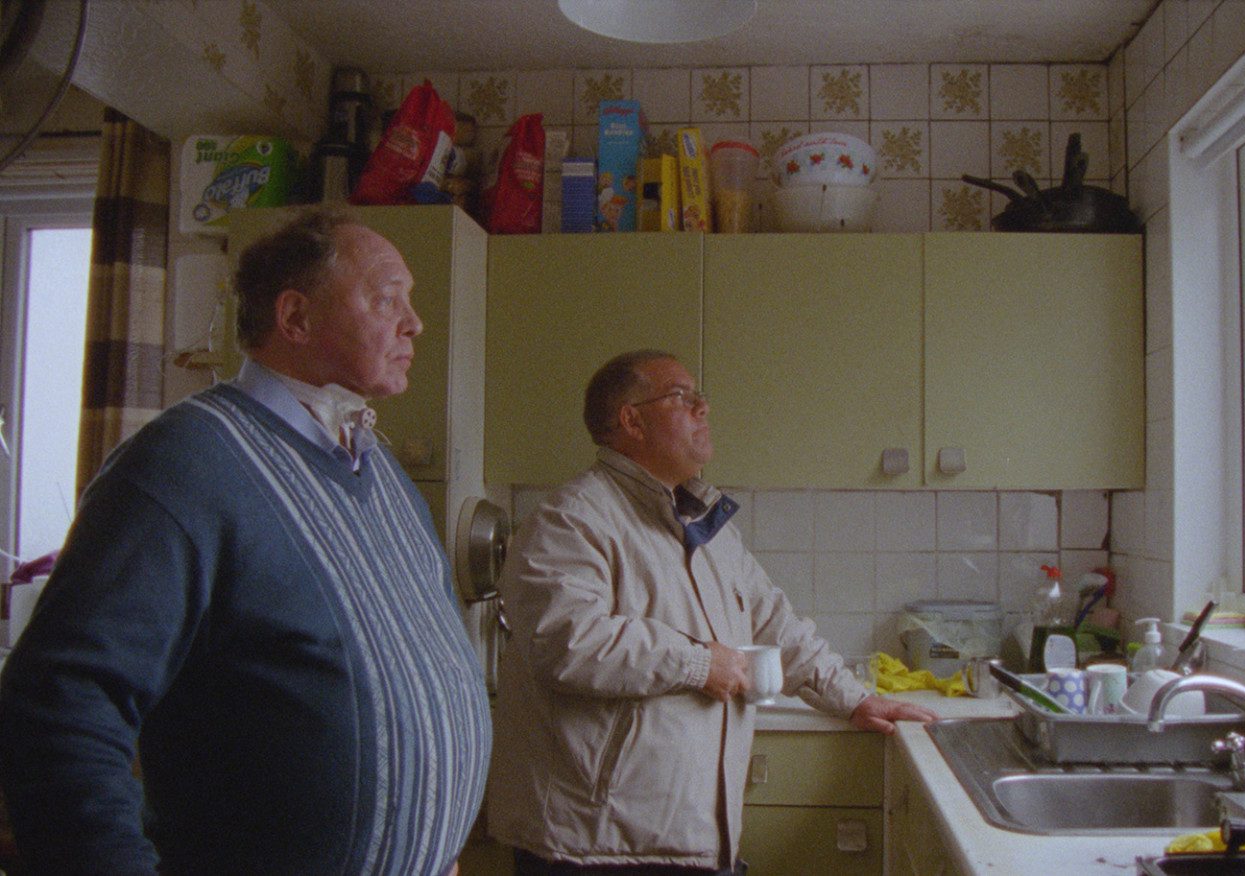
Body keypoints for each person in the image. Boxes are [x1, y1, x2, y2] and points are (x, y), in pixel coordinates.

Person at [0, 206, 490, 875]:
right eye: (386, 299)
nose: (415, 323)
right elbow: (60, 706)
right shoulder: (185, 464)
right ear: (295, 318)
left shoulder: (379, 470)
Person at [488, 349, 938, 874]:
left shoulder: (703, 525)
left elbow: (774, 622)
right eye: (683, 397)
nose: (703, 407)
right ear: (631, 420)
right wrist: (700, 663)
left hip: (686, 837)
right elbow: (567, 643)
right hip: (594, 847)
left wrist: (854, 699)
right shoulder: (571, 520)